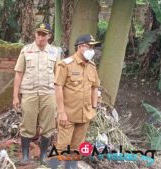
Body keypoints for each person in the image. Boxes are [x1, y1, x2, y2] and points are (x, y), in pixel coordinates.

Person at [13, 23, 61, 165]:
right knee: (27, 124)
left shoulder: (55, 52)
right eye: (38, 34)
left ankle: (43, 155)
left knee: (49, 125)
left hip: (49, 93)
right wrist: (15, 96)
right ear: (35, 34)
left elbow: (58, 76)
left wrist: (59, 97)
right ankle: (26, 156)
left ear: (49, 36)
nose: (40, 37)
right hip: (29, 93)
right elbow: (18, 74)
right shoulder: (26, 50)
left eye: (44, 34)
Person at [54, 34, 100, 168]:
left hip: (84, 115)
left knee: (77, 147)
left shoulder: (91, 66)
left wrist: (94, 108)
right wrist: (61, 111)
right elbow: (58, 88)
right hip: (67, 115)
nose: (92, 50)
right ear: (80, 47)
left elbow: (95, 88)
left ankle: (71, 167)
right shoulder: (65, 64)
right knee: (62, 147)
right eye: (89, 47)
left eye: (93, 47)